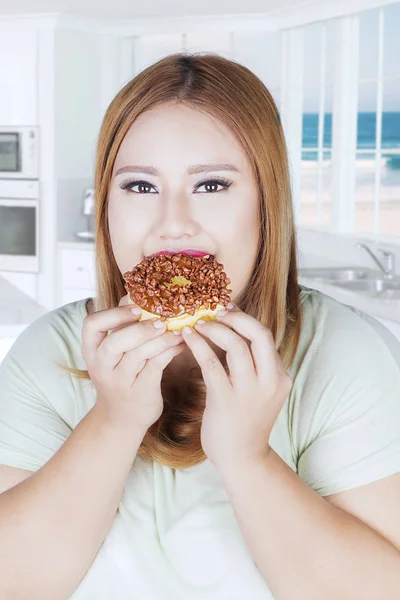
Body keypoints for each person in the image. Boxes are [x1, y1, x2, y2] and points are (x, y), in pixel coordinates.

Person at [0, 53, 400, 600]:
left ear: (267, 203)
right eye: (140, 187)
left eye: (212, 185)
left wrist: (247, 457)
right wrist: (113, 423)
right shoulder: (47, 351)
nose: (173, 223)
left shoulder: (346, 353)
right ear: (107, 206)